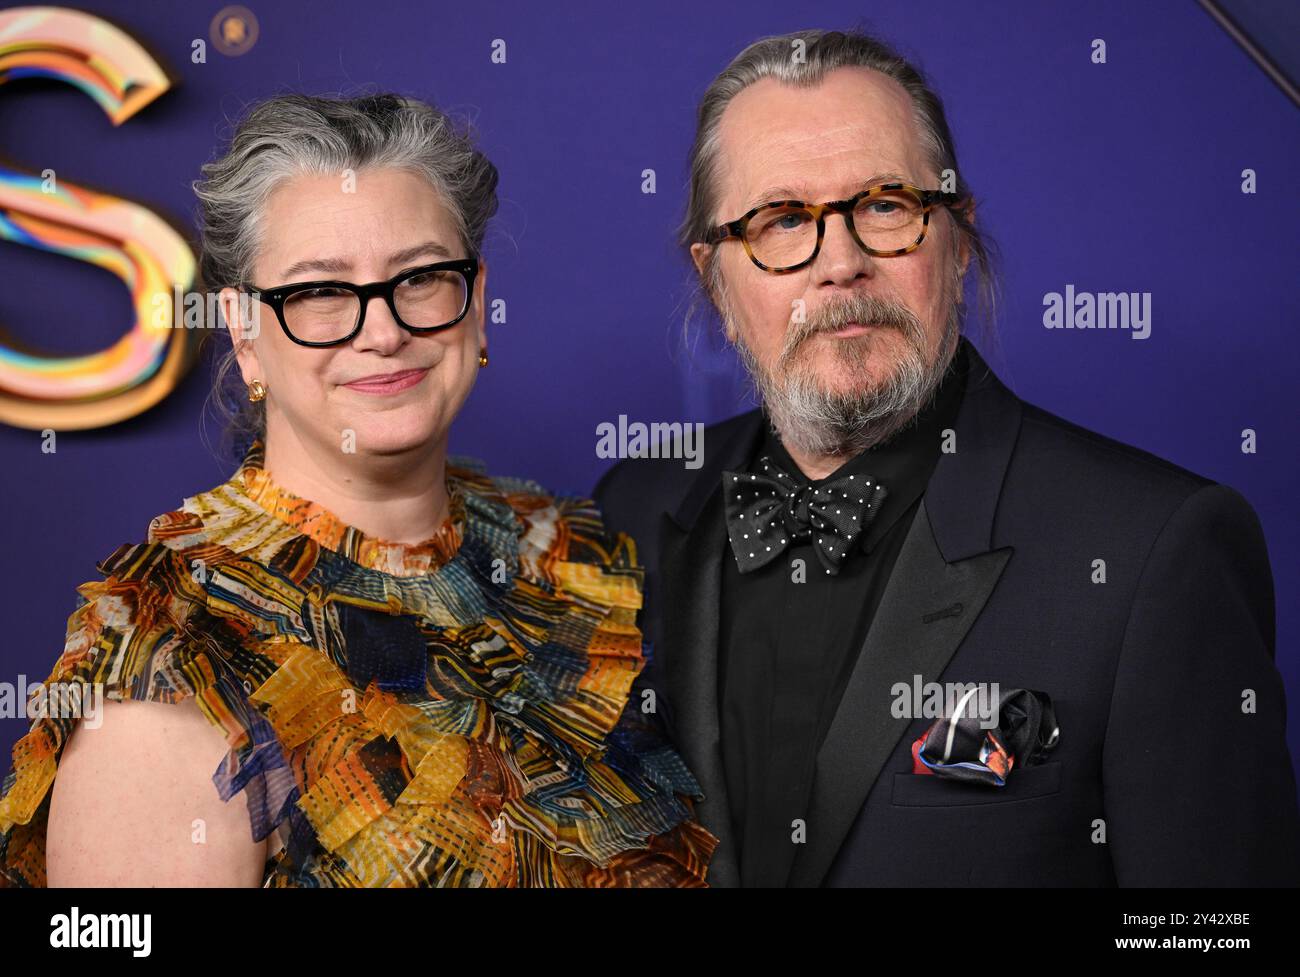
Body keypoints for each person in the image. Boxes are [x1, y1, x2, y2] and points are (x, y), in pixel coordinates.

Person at [594, 29, 1300, 886]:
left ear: (957, 243)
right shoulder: (630, 507)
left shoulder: (1159, 550)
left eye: (886, 206)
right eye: (783, 221)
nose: (841, 264)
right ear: (718, 284)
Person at [0, 93, 717, 887]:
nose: (383, 330)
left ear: (476, 305)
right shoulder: (179, 648)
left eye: (420, 278)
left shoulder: (567, 547)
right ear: (244, 334)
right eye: (320, 293)